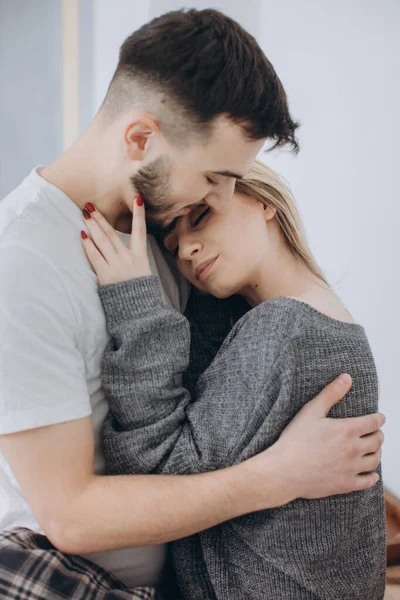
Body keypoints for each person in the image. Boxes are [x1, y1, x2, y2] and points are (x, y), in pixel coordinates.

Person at [0, 8, 384, 600]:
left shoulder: (160, 231)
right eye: (214, 178)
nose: (225, 196)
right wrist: (278, 477)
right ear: (140, 139)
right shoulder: (21, 262)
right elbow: (71, 518)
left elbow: (211, 395)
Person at [80, 159, 386, 599]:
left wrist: (137, 306)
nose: (185, 250)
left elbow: (154, 474)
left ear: (263, 201)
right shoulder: (312, 317)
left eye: (201, 217)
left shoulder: (287, 329)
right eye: (171, 246)